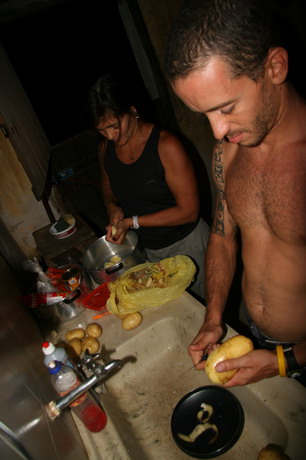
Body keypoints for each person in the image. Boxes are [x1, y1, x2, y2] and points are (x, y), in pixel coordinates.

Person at [165, 0, 306, 386]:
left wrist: (284, 360)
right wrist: (213, 318)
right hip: (252, 338)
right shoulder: (229, 151)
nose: (216, 131)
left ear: (274, 67)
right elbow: (223, 238)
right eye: (204, 114)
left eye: (225, 107)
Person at [86, 73, 210, 301]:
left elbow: (189, 211)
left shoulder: (166, 145)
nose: (111, 135)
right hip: (149, 251)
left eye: (115, 126)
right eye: (102, 130)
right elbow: (106, 185)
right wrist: (113, 206)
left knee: (206, 310)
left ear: (132, 110)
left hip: (188, 246)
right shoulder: (105, 146)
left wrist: (132, 222)